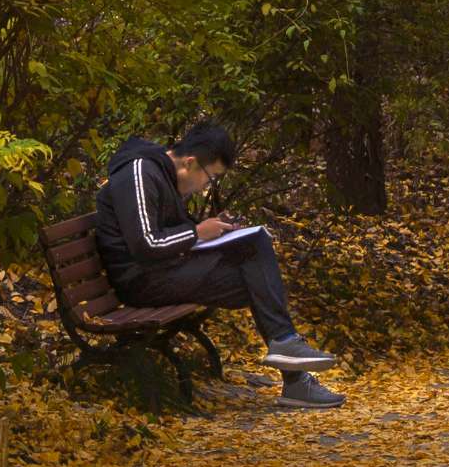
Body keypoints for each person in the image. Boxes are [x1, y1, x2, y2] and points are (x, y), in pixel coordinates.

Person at [94, 116, 340, 389]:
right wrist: (198, 232)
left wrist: (217, 229)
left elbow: (166, 231)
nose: (205, 187)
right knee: (258, 278)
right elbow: (146, 244)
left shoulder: (161, 174)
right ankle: (290, 358)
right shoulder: (139, 172)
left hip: (162, 271)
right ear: (190, 163)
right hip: (140, 281)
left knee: (255, 257)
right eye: (210, 177)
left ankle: (289, 359)